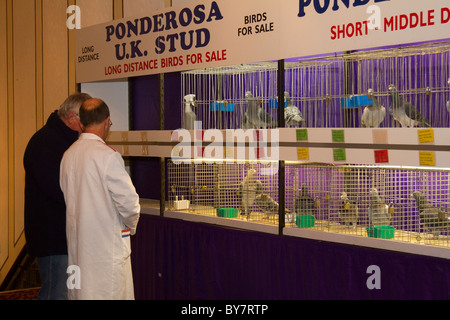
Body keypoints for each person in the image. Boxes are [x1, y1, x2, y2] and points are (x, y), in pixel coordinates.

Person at [60, 98, 140, 300]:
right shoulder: (108, 156)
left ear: (81, 123)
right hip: (104, 248)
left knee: (78, 292)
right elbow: (129, 204)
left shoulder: (68, 155)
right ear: (107, 121)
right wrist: (130, 226)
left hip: (77, 246)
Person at [23, 92, 92, 300]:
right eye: (85, 120)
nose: (87, 126)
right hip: (53, 237)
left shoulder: (60, 140)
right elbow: (57, 189)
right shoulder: (46, 142)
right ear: (71, 117)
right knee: (57, 293)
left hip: (62, 235)